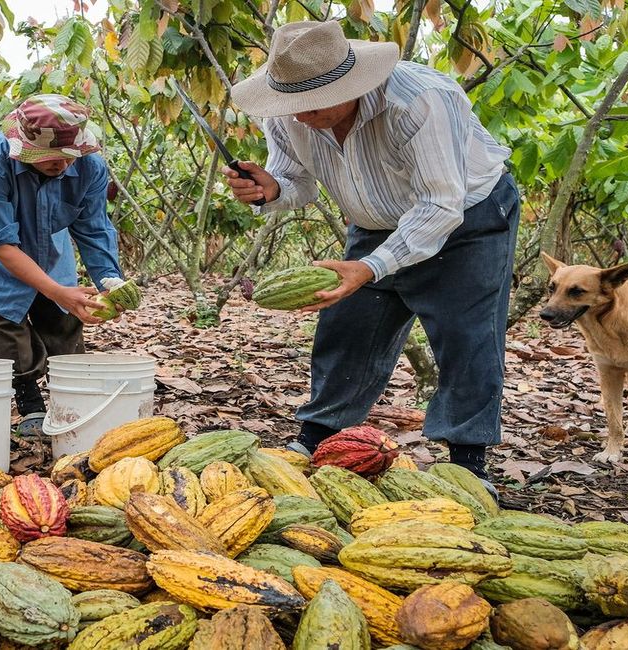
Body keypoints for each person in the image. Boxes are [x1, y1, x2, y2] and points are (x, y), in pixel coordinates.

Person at [222, 21, 521, 485]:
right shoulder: (288, 110)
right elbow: (296, 181)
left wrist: (371, 266)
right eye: (292, 104)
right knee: (348, 328)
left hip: (468, 216)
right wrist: (271, 188)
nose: (299, 115)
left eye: (312, 104)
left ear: (351, 83)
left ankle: (467, 458)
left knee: (467, 335)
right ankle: (319, 433)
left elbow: (440, 204)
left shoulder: (419, 101)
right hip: (374, 221)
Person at [0, 94, 125, 436]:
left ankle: (71, 398)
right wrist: (57, 291)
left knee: (63, 323)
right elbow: (2, 243)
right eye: (49, 158)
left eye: (68, 158)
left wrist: (111, 282)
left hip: (50, 241)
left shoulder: (91, 167)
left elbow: (93, 228)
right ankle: (28, 397)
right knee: (6, 326)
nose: (61, 166)